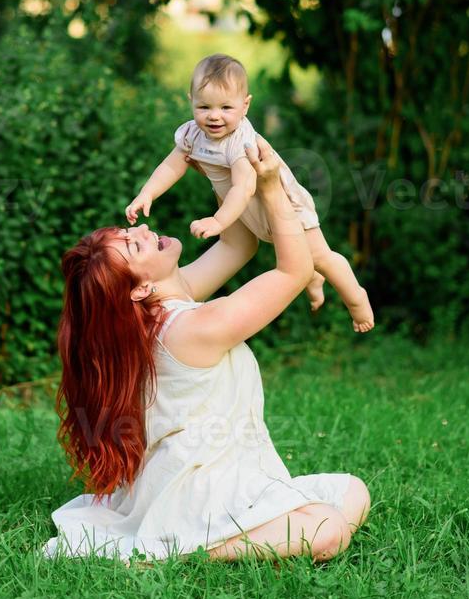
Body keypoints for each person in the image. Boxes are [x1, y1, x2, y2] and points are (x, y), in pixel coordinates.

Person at [43, 136, 370, 564]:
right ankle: (181, 550)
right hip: (198, 488)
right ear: (141, 288)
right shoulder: (192, 329)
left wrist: (227, 168)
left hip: (217, 472)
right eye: (136, 245)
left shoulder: (163, 307)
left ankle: (267, 527)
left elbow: (239, 245)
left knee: (351, 491)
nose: (144, 228)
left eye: (131, 232)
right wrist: (270, 187)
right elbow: (295, 271)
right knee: (328, 529)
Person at [126, 53, 374, 333]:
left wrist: (218, 222)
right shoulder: (191, 134)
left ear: (245, 106)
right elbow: (172, 166)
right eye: (204, 106)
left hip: (280, 206)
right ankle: (313, 281)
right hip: (245, 210)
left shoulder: (241, 142)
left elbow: (244, 187)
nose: (214, 115)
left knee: (321, 255)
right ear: (190, 101)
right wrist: (147, 193)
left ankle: (356, 300)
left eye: (226, 107)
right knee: (293, 258)